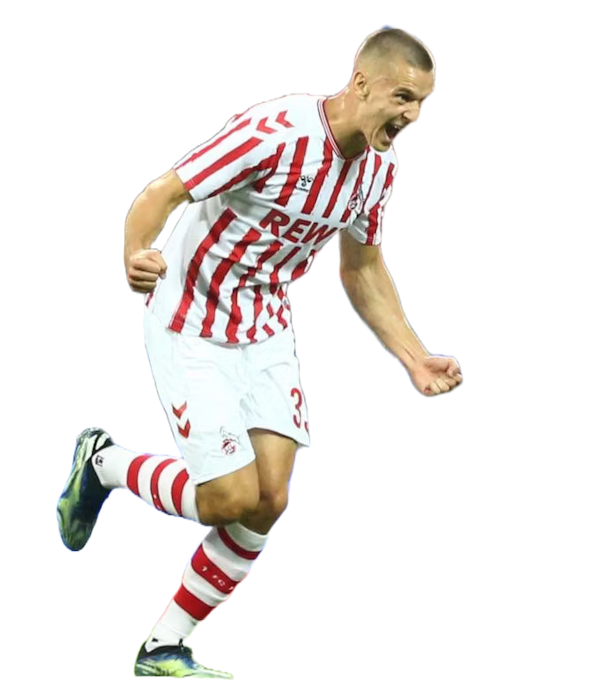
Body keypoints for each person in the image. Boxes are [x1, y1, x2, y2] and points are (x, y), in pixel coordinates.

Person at [57, 24, 463, 680]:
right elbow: (162, 193)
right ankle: (104, 464)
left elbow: (362, 267)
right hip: (189, 317)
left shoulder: (379, 170)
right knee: (227, 498)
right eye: (402, 98)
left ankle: (162, 647)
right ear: (362, 82)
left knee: (269, 499)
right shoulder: (274, 132)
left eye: (423, 103)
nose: (413, 116)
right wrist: (136, 254)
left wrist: (414, 357)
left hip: (264, 325)